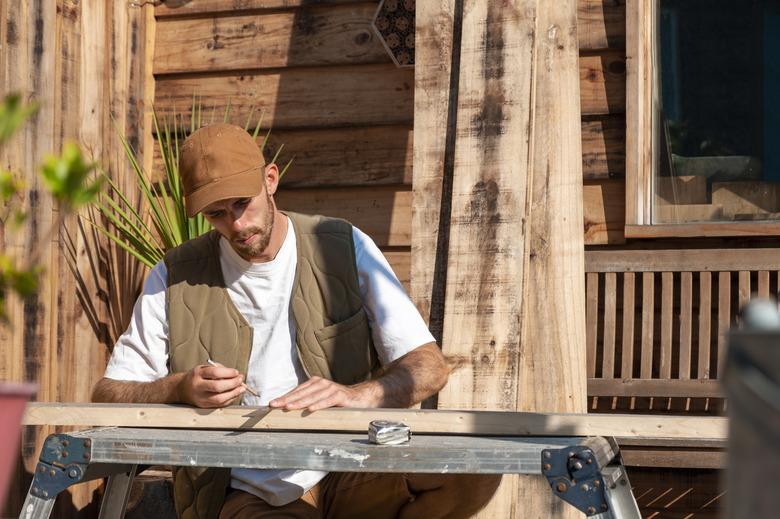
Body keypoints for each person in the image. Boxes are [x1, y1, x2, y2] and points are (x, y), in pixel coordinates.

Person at [92, 123, 500, 518]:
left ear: (270, 179)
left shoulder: (341, 245)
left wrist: (359, 395)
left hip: (352, 468)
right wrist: (178, 387)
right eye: (217, 214)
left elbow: (427, 366)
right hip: (248, 489)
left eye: (241, 203)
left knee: (474, 469)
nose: (236, 225)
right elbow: (107, 395)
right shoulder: (175, 273)